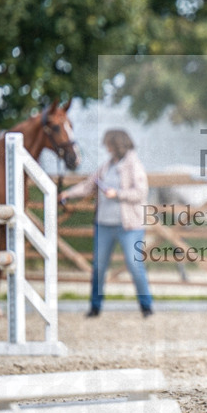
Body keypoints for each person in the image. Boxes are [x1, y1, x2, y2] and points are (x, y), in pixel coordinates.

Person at [60, 129, 154, 318]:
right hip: (103, 224)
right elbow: (89, 185)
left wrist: (117, 194)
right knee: (99, 267)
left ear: (117, 145)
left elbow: (141, 192)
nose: (107, 148)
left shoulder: (134, 165)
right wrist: (68, 193)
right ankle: (95, 306)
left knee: (134, 265)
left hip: (129, 226)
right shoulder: (106, 166)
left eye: (109, 145)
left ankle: (146, 305)